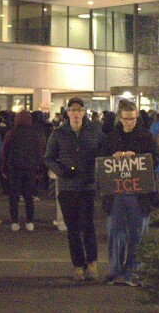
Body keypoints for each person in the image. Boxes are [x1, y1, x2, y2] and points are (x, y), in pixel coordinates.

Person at [99, 99, 159, 286]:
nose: (129, 123)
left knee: (137, 233)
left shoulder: (146, 136)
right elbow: (101, 161)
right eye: (126, 119)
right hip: (116, 193)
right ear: (120, 117)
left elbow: (156, 160)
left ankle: (132, 271)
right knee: (115, 232)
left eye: (132, 119)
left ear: (137, 117)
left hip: (139, 194)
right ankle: (115, 270)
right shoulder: (111, 137)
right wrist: (112, 157)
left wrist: (138, 158)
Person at [44, 97, 103, 281]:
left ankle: (92, 263)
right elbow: (49, 158)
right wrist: (62, 171)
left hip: (87, 185)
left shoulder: (95, 131)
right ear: (67, 112)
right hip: (67, 187)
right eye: (72, 110)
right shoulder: (59, 133)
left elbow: (104, 152)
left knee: (88, 225)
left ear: (84, 112)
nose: (76, 113)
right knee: (73, 228)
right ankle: (78, 265)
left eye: (79, 110)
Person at [1, 109, 45, 232]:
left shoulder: (11, 133)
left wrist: (4, 167)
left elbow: (4, 152)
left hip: (14, 168)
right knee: (28, 196)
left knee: (13, 196)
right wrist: (40, 169)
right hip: (30, 169)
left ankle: (15, 222)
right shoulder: (35, 134)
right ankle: (30, 222)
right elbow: (41, 153)